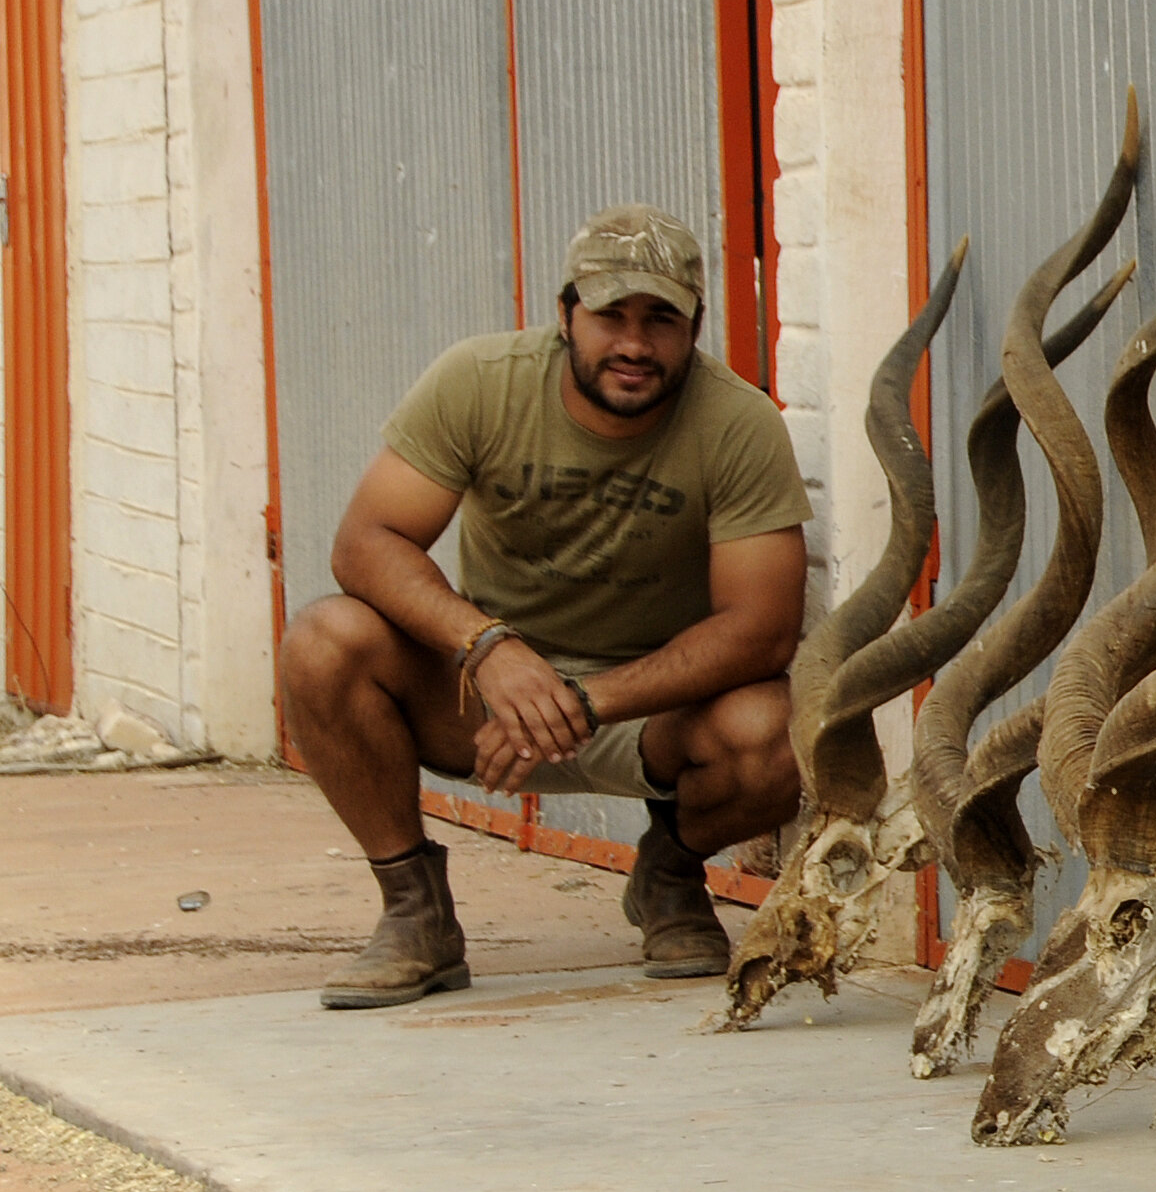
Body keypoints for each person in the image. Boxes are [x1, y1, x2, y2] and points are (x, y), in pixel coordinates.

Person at [278, 208, 810, 1005]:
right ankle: (413, 912)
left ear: (695, 325)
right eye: (610, 316)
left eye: (661, 319)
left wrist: (588, 700)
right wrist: (487, 646)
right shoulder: (480, 381)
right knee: (323, 639)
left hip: (648, 712)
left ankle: (668, 875)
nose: (634, 344)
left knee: (778, 733)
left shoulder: (738, 424)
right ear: (566, 315)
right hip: (486, 695)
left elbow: (760, 631)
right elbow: (366, 541)